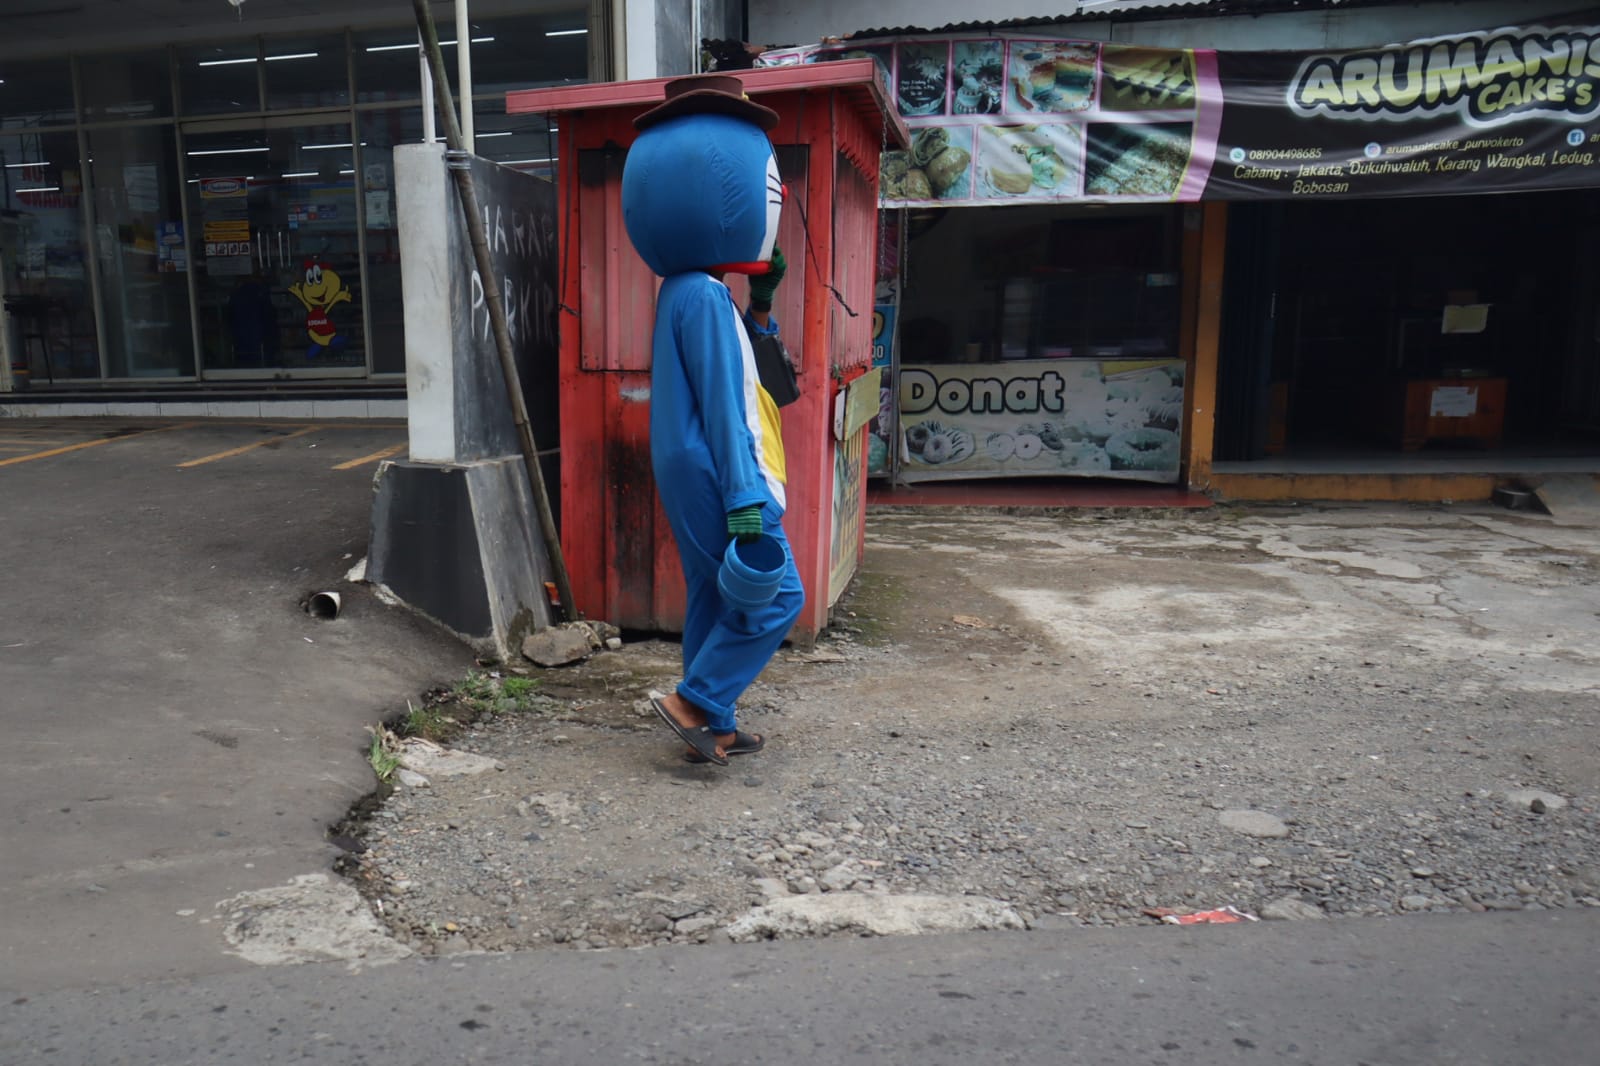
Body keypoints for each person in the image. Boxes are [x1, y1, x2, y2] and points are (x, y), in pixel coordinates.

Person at [621, 74, 805, 766]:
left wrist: (761, 306)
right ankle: (696, 701)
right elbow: (728, 409)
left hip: (689, 462)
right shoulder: (700, 296)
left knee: (712, 592)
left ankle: (714, 718)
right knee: (777, 595)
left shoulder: (694, 292)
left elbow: (761, 380)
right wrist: (746, 499)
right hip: (715, 469)